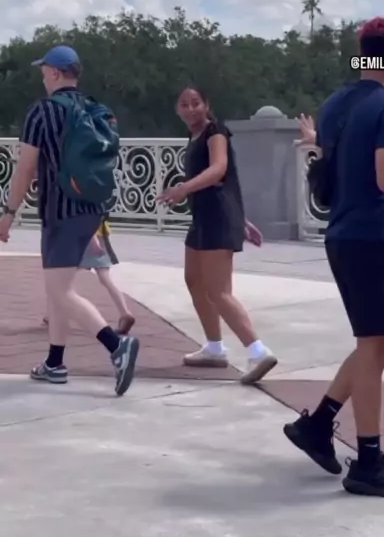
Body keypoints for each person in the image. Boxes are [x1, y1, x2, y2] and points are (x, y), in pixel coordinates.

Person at [283, 18, 384, 499]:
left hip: (341, 233)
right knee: (376, 344)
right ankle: (369, 462)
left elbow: (336, 160)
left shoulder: (336, 103)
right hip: (368, 239)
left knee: (379, 340)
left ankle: (319, 424)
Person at [0, 45, 139, 395]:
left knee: (59, 292)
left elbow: (25, 168)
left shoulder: (42, 112)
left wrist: (8, 213)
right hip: (91, 208)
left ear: (55, 73)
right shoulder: (94, 108)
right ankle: (55, 363)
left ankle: (116, 346)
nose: (42, 78)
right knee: (60, 288)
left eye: (44, 71)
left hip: (60, 211)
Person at [158, 87, 277, 385]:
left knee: (219, 291)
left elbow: (219, 169)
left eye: (195, 103)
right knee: (194, 280)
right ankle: (214, 348)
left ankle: (258, 351)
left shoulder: (215, 132)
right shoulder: (193, 136)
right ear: (177, 109)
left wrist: (183, 189)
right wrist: (242, 220)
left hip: (216, 219)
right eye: (184, 104)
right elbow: (226, 184)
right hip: (205, 217)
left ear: (206, 104)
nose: (190, 109)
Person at [43, 216, 136, 335]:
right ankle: (125, 312)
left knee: (59, 279)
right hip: (100, 237)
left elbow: (86, 217)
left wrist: (93, 240)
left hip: (87, 241)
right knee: (106, 279)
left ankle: (52, 314)